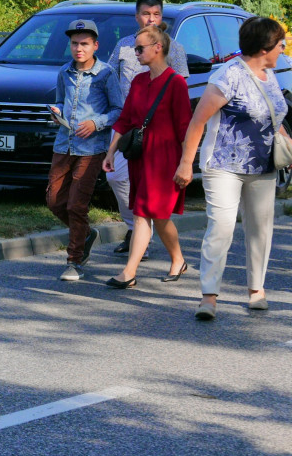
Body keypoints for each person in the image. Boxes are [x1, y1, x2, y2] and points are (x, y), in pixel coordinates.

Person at [174, 17, 290, 320]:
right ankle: (209, 296)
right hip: (223, 164)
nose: (283, 48)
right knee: (222, 227)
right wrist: (186, 163)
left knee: (261, 228)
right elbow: (198, 121)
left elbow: (274, 118)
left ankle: (256, 290)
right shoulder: (229, 76)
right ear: (265, 46)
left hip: (263, 166)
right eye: (280, 43)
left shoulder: (270, 74)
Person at [102, 25, 191, 288]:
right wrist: (111, 152)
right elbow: (126, 119)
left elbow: (186, 128)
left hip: (165, 159)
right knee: (148, 214)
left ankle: (143, 268)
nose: (135, 52)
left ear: (158, 48)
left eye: (139, 48)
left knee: (152, 214)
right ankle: (159, 265)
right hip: (140, 156)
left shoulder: (175, 83)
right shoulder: (139, 81)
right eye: (134, 48)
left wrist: (186, 165)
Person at [46, 20, 124, 281]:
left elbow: (118, 110)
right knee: (55, 201)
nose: (79, 48)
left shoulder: (106, 74)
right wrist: (57, 113)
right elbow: (60, 100)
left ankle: (74, 261)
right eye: (75, 43)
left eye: (84, 44)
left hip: (92, 148)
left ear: (95, 46)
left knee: (76, 205)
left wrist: (96, 123)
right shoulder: (64, 72)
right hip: (64, 143)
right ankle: (87, 234)